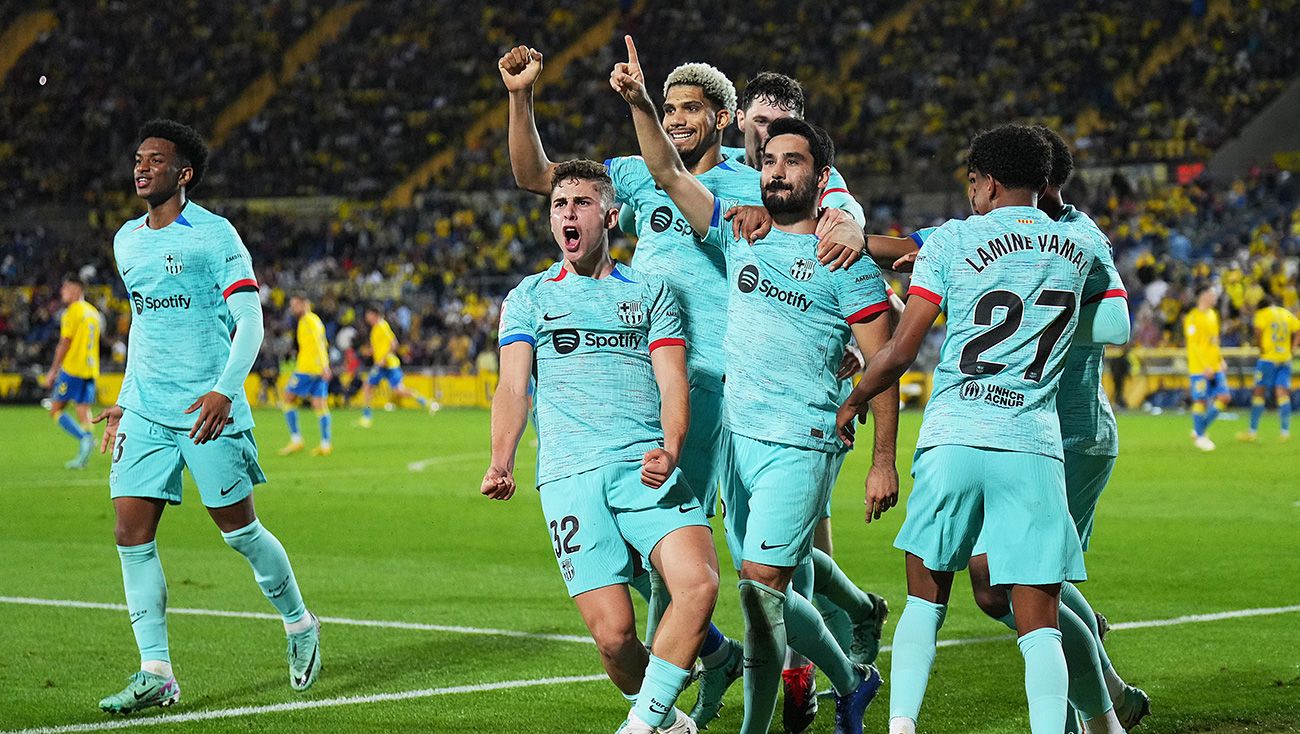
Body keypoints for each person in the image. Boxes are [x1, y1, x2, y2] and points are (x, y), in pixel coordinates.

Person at [612, 36, 895, 734]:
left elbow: (885, 357)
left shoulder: (843, 248)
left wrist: (881, 451)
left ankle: (812, 691)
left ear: (820, 175)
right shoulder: (741, 228)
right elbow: (669, 177)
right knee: (762, 591)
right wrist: (643, 104)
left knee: (765, 586)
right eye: (766, 156)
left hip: (801, 438)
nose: (774, 166)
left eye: (791, 158)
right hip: (737, 431)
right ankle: (827, 682)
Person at [835, 123, 1109, 734]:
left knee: (923, 604)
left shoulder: (953, 240)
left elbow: (902, 353)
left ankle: (901, 725)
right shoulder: (1083, 244)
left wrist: (854, 401)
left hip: (953, 437)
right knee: (1039, 624)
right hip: (1032, 446)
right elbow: (1109, 317)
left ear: (983, 182)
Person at [907, 125, 1146, 733]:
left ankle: (1101, 710)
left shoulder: (1075, 235)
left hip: (1067, 434)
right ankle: (1105, 702)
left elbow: (1117, 323)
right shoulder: (989, 232)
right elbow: (914, 245)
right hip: (1014, 427)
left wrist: (1043, 317)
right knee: (1011, 587)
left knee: (1012, 584)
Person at [483, 159, 717, 734]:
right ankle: (668, 719)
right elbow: (513, 386)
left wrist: (672, 447)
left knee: (700, 583)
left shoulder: (651, 292)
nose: (568, 213)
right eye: (559, 205)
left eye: (581, 203)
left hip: (644, 465)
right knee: (614, 638)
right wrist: (500, 460)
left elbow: (671, 381)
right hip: (568, 474)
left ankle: (640, 727)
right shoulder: (529, 297)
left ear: (611, 216)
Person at [92, 120, 319, 714]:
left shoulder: (215, 236)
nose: (141, 168)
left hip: (207, 409)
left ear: (183, 173)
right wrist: (123, 398)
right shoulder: (126, 241)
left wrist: (224, 391)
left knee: (240, 532)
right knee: (130, 535)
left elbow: (251, 323)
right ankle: (156, 672)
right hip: (146, 410)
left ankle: (298, 622)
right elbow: (143, 323)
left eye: (156, 160)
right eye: (138, 158)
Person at [41, 276, 102, 469]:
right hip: (90, 369)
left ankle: (85, 438)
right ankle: (83, 457)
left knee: (56, 409)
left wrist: (53, 371)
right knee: (83, 411)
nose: (62, 292)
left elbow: (65, 342)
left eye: (65, 288)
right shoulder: (93, 313)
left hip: (73, 368)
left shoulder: (72, 312)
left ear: (76, 290)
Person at [357, 304, 436, 426]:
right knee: (369, 387)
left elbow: (393, 344)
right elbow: (377, 348)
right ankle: (367, 416)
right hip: (382, 364)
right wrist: (368, 352)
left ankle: (367, 417)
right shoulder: (375, 329)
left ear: (374, 315)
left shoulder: (382, 326)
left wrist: (384, 358)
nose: (366, 317)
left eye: (368, 314)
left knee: (392, 390)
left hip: (387, 364)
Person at [1240, 295, 1300, 441]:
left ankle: (1252, 431)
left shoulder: (1262, 314)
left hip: (1268, 359)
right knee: (1282, 394)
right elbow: (1298, 329)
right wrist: (1293, 347)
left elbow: (1258, 331)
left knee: (1259, 393)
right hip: (1285, 359)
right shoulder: (1285, 313)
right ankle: (1284, 432)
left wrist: (1260, 347)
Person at [279, 295, 333, 456]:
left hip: (307, 368)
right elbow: (323, 343)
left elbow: (318, 343)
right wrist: (325, 366)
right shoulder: (315, 320)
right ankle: (325, 444)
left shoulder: (307, 320)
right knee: (319, 404)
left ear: (304, 304)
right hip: (317, 368)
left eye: (295, 304)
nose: (293, 308)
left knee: (287, 398)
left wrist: (325, 366)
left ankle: (296, 440)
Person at [1184, 285, 1229, 451]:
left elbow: (1214, 342)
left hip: (1215, 366)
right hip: (1200, 368)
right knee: (1200, 400)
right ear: (1202, 295)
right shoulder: (1192, 318)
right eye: (1212, 294)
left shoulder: (1213, 315)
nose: (1215, 297)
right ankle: (1201, 437)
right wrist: (1205, 366)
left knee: (1224, 397)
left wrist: (1220, 359)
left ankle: (1199, 430)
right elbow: (1193, 346)